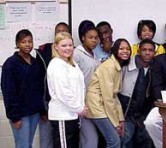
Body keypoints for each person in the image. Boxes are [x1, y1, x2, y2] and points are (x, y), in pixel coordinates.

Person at [1, 29, 46, 148]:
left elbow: (40, 87)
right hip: (21, 114)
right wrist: (14, 117)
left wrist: (42, 110)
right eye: (23, 42)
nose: (27, 44)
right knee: (23, 145)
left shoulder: (36, 62)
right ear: (17, 44)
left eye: (30, 41)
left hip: (34, 112)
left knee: (28, 144)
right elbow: (8, 91)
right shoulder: (10, 64)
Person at [85, 38, 131, 148]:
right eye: (121, 48)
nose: (125, 51)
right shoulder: (109, 66)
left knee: (115, 140)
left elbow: (114, 97)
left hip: (102, 106)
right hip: (97, 106)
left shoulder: (116, 66)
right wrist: (116, 123)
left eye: (128, 49)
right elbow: (108, 98)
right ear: (115, 50)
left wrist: (120, 119)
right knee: (114, 141)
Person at [47, 32, 87, 148]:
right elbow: (63, 92)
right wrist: (79, 108)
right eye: (64, 45)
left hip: (73, 116)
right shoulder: (56, 65)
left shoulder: (72, 63)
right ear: (56, 47)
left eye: (70, 45)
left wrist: (81, 106)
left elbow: (80, 86)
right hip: (62, 116)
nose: (68, 48)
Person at [36, 21, 70, 148]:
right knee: (46, 140)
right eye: (58, 31)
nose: (60, 33)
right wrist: (42, 108)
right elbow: (39, 81)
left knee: (62, 140)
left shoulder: (71, 51)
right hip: (47, 102)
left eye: (64, 31)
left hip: (66, 106)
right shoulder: (43, 50)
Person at [118, 39, 156, 148]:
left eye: (150, 50)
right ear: (138, 51)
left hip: (144, 114)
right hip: (126, 113)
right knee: (126, 141)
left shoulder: (155, 68)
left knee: (145, 141)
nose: (147, 53)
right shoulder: (126, 65)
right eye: (144, 50)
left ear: (155, 52)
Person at [73, 20, 101, 148]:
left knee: (88, 140)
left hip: (93, 104)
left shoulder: (94, 56)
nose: (94, 40)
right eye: (90, 37)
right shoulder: (76, 54)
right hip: (81, 105)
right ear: (83, 37)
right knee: (90, 140)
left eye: (96, 38)